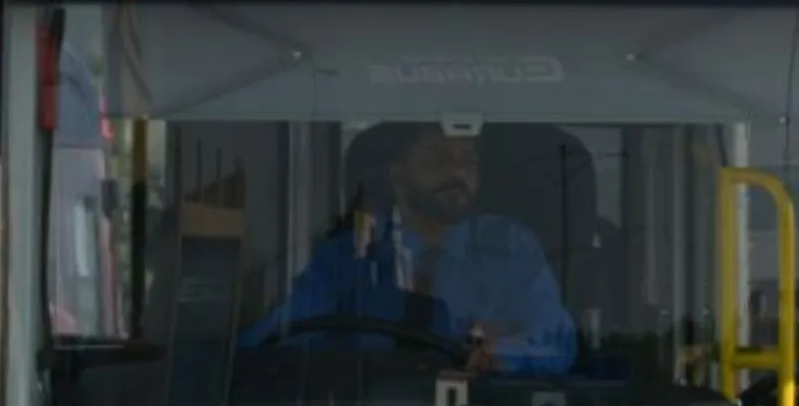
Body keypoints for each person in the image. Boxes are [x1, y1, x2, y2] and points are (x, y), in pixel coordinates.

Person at [243, 122, 577, 377]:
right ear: (397, 175)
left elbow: (557, 340)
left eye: (468, 160)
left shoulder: (512, 247)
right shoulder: (350, 254)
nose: (456, 173)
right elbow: (276, 338)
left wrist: (499, 352)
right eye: (436, 159)